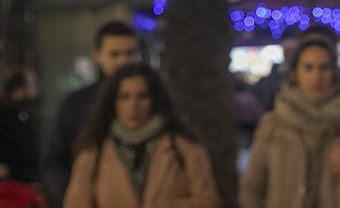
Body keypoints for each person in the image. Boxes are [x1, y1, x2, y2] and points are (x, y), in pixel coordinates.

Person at [240, 35, 340, 208]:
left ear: (335, 71)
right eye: (308, 68)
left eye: (324, 68)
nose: (316, 76)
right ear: (296, 72)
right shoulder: (274, 124)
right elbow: (252, 187)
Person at [64, 63, 217, 207]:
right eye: (124, 97)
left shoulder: (184, 147)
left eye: (142, 96)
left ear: (155, 100)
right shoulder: (93, 152)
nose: (133, 106)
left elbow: (208, 201)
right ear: (113, 102)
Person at [45, 21, 139, 199]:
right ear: (97, 55)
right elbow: (55, 161)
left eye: (130, 53)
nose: (123, 61)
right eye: (114, 54)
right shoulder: (76, 103)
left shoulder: (152, 101)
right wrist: (76, 196)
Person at [0, 67, 40, 185]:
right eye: (32, 84)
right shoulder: (4, 114)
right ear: (19, 89)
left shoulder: (29, 114)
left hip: (28, 182)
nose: (36, 88)